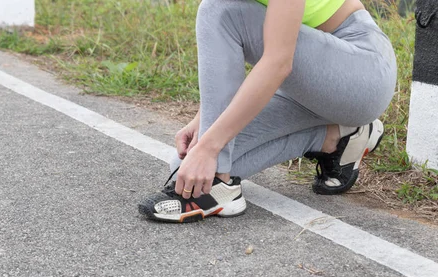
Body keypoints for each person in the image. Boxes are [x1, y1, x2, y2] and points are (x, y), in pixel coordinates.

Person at [138, 0, 397, 223]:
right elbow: (228, 48)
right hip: (306, 85)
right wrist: (205, 119)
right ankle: (336, 137)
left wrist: (209, 147)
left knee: (217, 9)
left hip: (360, 71)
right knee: (185, 168)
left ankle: (218, 185)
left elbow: (276, 62)